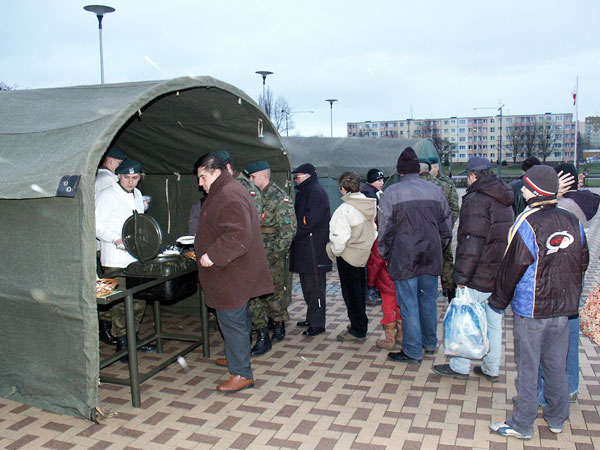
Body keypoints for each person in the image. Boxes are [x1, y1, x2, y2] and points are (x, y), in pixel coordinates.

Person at [488, 165, 589, 440]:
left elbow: (512, 268)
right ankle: (557, 417)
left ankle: (522, 423)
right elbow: (583, 262)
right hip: (563, 309)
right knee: (556, 365)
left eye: (525, 186)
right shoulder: (573, 220)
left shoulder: (527, 222)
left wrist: (497, 301)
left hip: (531, 310)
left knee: (529, 367)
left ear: (534, 191)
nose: (521, 190)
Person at [193, 153, 273, 393]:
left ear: (216, 172)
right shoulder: (227, 190)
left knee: (232, 321)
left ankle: (241, 373)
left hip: (230, 272)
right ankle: (236, 357)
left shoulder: (228, 194)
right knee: (238, 319)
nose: (200, 183)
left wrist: (211, 255)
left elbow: (238, 236)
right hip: (234, 271)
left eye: (202, 177)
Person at [431, 156, 514, 380]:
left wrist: (461, 277)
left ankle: (459, 365)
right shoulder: (504, 196)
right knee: (493, 321)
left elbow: (471, 241)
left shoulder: (477, 199)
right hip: (498, 271)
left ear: (472, 176)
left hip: (478, 272)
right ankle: (491, 367)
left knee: (465, 318)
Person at [378, 147, 452, 363]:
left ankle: (412, 350)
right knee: (428, 300)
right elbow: (446, 225)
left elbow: (384, 229)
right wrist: (439, 246)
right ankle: (429, 343)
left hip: (404, 256)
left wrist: (386, 254)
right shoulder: (436, 191)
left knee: (408, 303)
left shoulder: (392, 193)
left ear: (400, 171)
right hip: (431, 255)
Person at [536, 163, 600, 406]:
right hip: (572, 282)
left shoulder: (562, 208)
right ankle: (571, 385)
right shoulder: (579, 204)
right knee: (570, 338)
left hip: (556, 282)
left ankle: (547, 395)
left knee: (550, 344)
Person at [95, 160, 155, 360]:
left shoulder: (137, 194)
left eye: (135, 178)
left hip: (136, 256)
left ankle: (133, 338)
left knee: (138, 300)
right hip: (115, 256)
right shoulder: (107, 195)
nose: (131, 182)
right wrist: (115, 238)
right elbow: (96, 226)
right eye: (127, 177)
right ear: (118, 176)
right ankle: (122, 343)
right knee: (120, 302)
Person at [245, 161, 297, 354]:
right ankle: (263, 323)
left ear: (264, 176)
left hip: (272, 252)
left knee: (274, 289)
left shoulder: (279, 197)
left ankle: (279, 322)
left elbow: (288, 230)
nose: (250, 181)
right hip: (255, 251)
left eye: (253, 177)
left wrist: (276, 253)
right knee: (257, 290)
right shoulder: (252, 196)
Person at [326, 171, 377, 342]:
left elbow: (338, 240)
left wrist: (336, 252)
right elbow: (374, 232)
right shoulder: (369, 205)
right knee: (359, 293)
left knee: (351, 296)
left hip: (348, 257)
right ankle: (360, 322)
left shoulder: (344, 210)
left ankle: (358, 329)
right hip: (363, 255)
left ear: (342, 188)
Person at [289, 163, 332, 337]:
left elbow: (308, 222)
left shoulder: (315, 192)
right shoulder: (308, 191)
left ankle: (318, 324)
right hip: (306, 248)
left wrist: (292, 233)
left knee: (315, 287)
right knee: (308, 287)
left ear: (307, 176)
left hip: (313, 249)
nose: (296, 180)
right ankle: (311, 317)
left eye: (297, 177)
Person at [95, 146, 128, 345]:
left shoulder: (97, 178)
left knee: (109, 289)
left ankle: (107, 330)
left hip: (102, 246)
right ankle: (114, 333)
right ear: (110, 161)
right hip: (110, 247)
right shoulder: (108, 181)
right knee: (113, 292)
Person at [428, 155, 460, 301]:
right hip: (431, 230)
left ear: (437, 168)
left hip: (443, 229)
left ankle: (447, 288)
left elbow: (454, 207)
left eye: (433, 168)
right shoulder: (425, 183)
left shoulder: (447, 183)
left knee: (447, 259)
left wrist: (448, 226)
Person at [361, 168, 385, 306]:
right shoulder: (369, 194)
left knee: (374, 263)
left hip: (372, 234)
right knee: (372, 264)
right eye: (379, 180)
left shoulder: (371, 192)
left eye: (382, 180)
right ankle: (369, 291)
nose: (382, 182)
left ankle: (372, 289)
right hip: (371, 235)